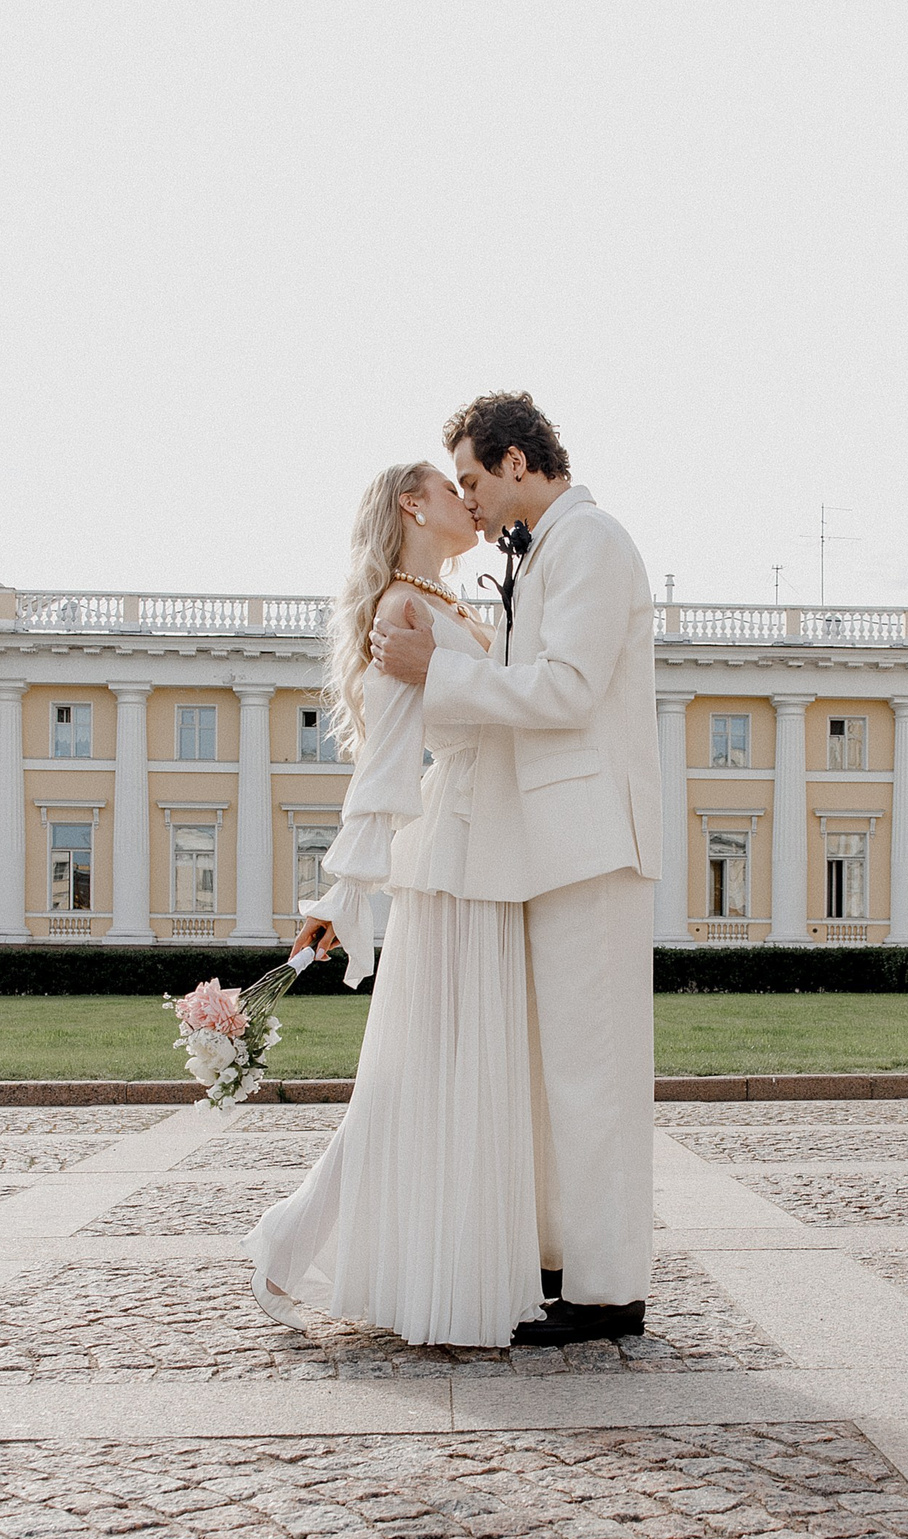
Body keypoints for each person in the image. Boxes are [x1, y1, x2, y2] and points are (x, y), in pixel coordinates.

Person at [367, 392, 661, 1348]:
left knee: (593, 1074)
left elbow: (569, 689)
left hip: (591, 843)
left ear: (519, 464)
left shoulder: (592, 542)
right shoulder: (541, 553)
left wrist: (435, 672)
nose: (471, 502)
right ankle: (559, 1265)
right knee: (552, 1074)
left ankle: (609, 1289)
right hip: (549, 843)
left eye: (473, 481)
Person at [242, 459, 549, 1348]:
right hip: (450, 859)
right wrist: (340, 894)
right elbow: (383, 770)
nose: (472, 499)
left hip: (486, 853)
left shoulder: (448, 606)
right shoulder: (402, 613)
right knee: (414, 1076)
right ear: (415, 504)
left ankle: (447, 1272)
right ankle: (287, 1241)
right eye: (455, 488)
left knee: (456, 1076)